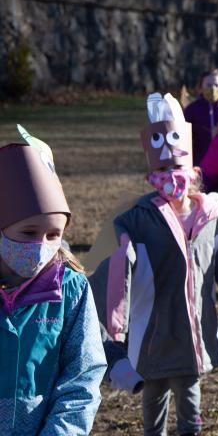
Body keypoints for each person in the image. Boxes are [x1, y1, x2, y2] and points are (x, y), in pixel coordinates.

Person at [90, 93, 218, 436]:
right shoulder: (136, 219)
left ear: (192, 172)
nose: (170, 176)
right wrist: (115, 327)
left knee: (189, 396)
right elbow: (117, 270)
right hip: (152, 328)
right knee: (154, 394)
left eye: (175, 169)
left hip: (193, 328)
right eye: (161, 169)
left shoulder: (212, 218)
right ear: (152, 173)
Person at [0, 128, 107, 435]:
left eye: (53, 235)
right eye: (28, 233)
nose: (41, 246)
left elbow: (82, 376)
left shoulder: (70, 289)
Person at [183, 68, 218, 162]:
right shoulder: (192, 109)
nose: (213, 89)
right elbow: (184, 136)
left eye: (216, 85)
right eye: (208, 85)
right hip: (201, 161)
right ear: (201, 87)